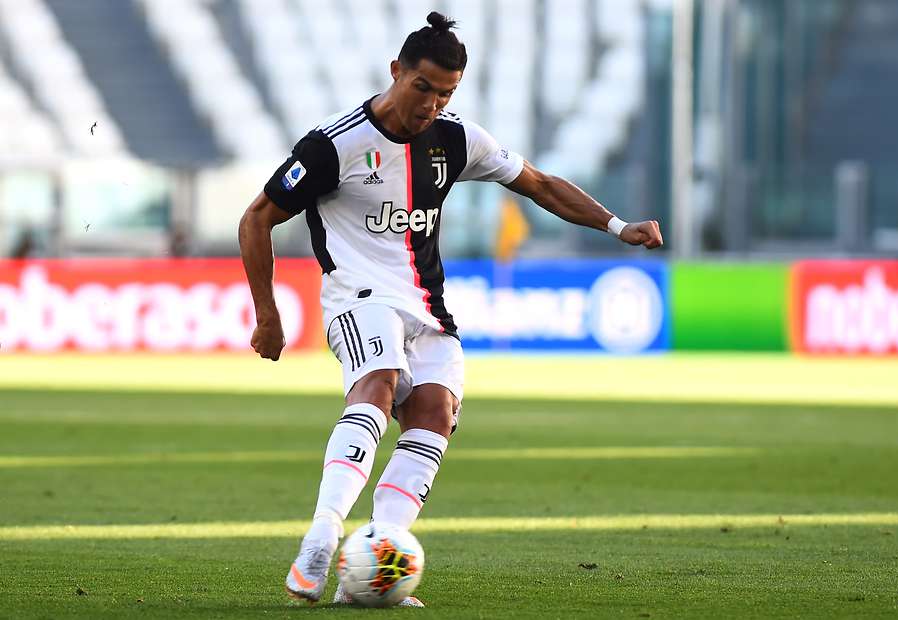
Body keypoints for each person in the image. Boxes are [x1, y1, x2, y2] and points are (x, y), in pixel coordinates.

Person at [238, 11, 663, 607]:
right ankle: (322, 534)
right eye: (423, 88)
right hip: (359, 297)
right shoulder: (335, 146)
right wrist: (267, 313)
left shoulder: (457, 138)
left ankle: (372, 566)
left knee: (435, 414)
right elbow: (257, 217)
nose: (431, 105)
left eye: (445, 94)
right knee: (380, 382)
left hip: (429, 309)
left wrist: (618, 226)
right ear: (396, 71)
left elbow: (540, 184)